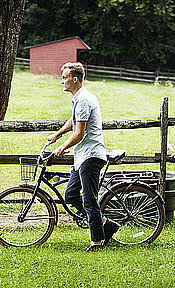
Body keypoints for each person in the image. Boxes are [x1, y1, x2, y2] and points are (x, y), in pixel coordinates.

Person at [47, 62, 120, 251]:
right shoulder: (79, 99)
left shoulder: (84, 99)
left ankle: (97, 241)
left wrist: (62, 147)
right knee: (71, 195)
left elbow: (79, 133)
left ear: (75, 79)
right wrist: (58, 134)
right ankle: (106, 224)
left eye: (65, 78)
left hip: (91, 156)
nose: (62, 81)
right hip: (81, 156)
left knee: (89, 200)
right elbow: (74, 120)